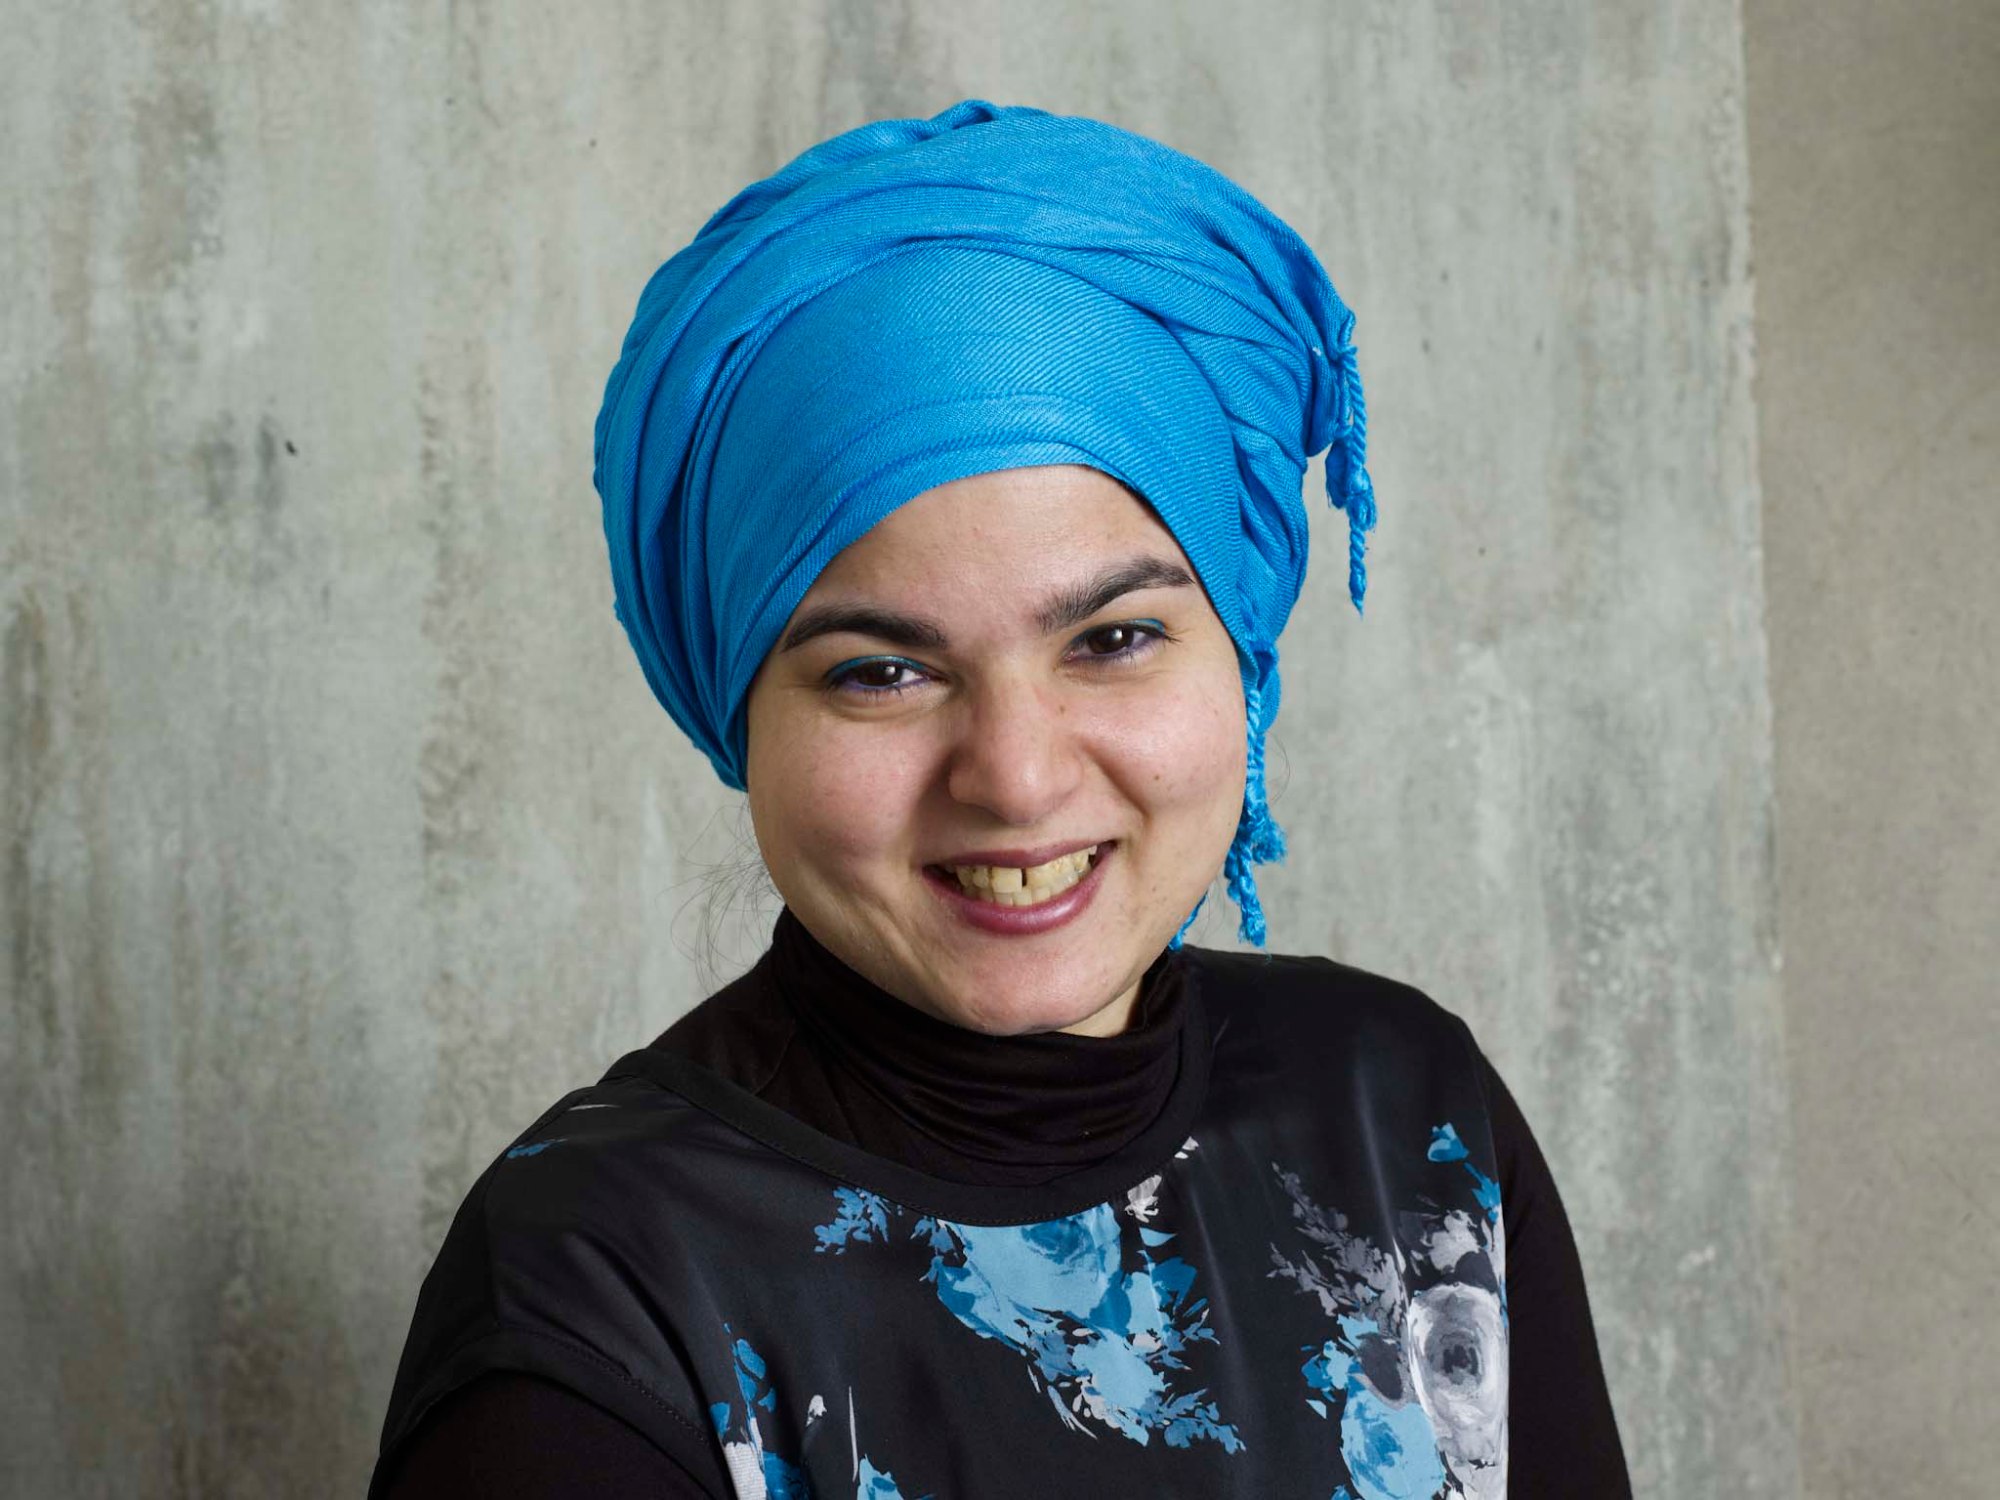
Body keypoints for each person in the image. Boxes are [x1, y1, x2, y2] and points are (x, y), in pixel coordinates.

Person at [369, 100, 1630, 1499]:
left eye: (1113, 638)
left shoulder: (1408, 1117)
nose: (1017, 777)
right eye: (882, 672)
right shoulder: (598, 1296)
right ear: (741, 713)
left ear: (1243, 656)